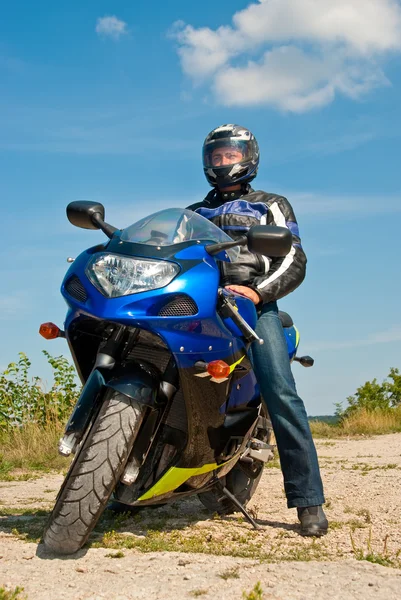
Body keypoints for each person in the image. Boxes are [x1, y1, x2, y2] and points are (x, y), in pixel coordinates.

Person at [188, 124, 328, 536]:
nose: (223, 162)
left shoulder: (272, 205)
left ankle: (308, 502)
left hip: (252, 306)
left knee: (282, 394)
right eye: (216, 157)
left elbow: (293, 259)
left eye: (230, 155)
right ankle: (124, 484)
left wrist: (256, 292)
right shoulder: (193, 214)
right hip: (201, 306)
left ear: (248, 158)